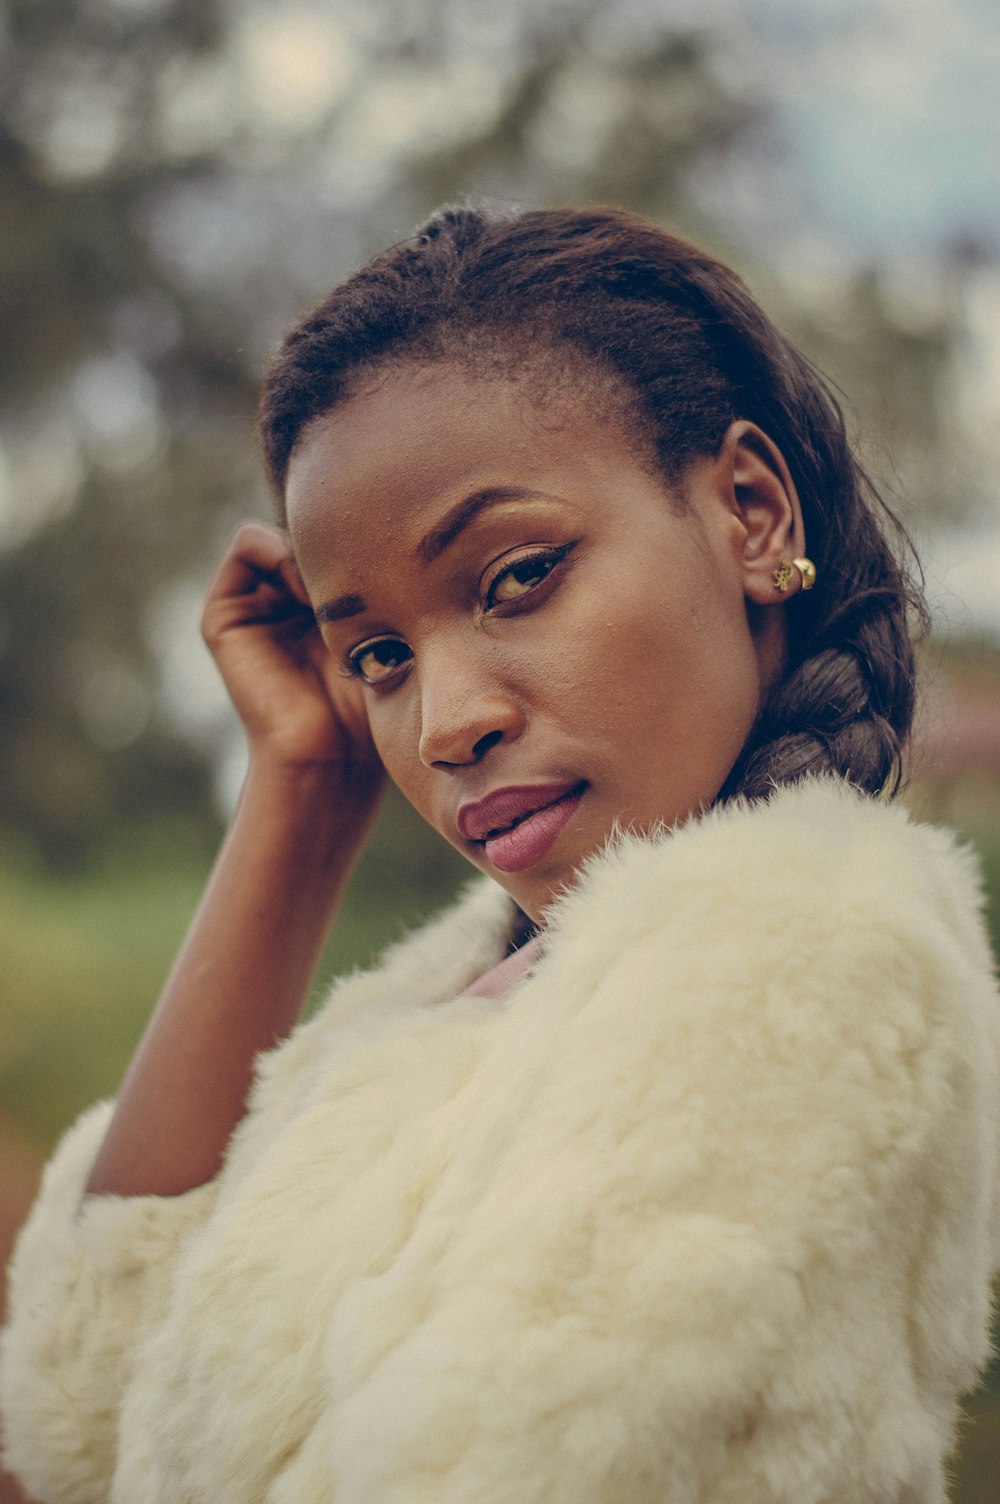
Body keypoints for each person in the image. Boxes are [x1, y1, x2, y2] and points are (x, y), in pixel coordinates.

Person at [2, 205, 999, 1504]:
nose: (444, 721)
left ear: (750, 512)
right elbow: (75, 1414)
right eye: (379, 657)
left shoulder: (807, 971)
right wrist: (299, 788)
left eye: (516, 577)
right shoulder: (480, 995)